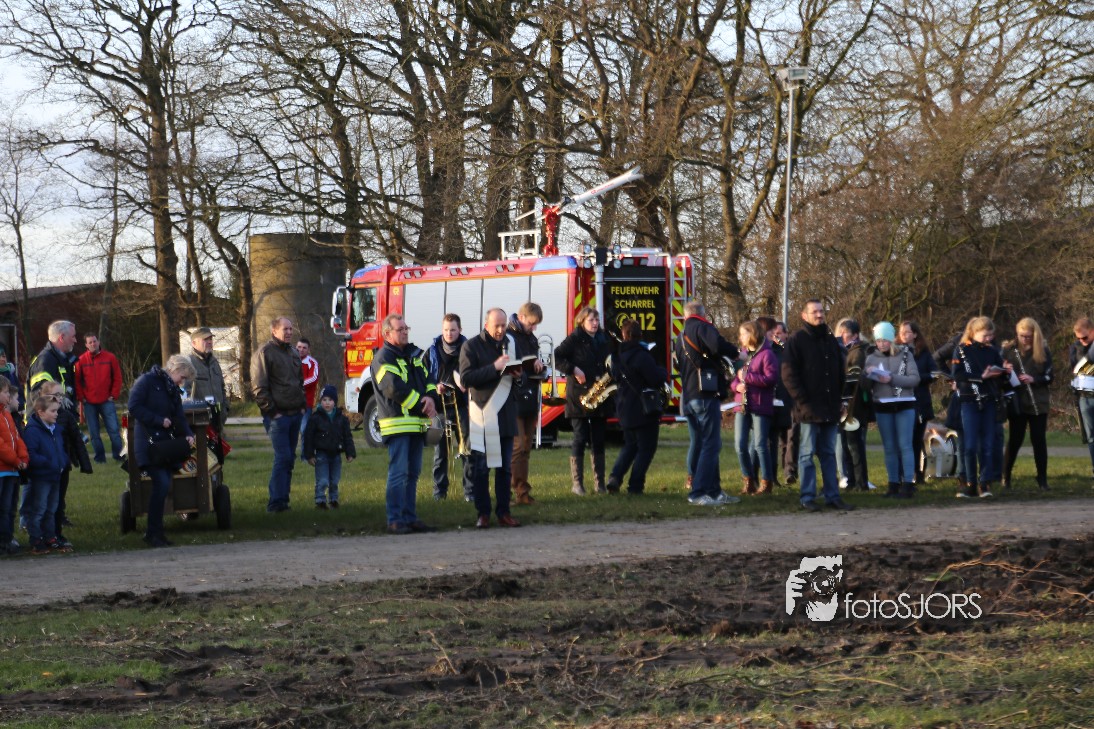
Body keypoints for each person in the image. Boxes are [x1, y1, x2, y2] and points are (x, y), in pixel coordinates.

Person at [781, 299, 855, 512]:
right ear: (804, 315)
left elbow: (839, 372)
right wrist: (802, 401)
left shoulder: (830, 339)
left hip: (830, 407)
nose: (819, 315)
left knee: (829, 453)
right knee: (806, 454)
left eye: (821, 311)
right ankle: (807, 496)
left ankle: (832, 496)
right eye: (815, 312)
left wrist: (841, 400)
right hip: (807, 409)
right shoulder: (797, 340)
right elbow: (788, 375)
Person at [371, 314, 438, 534]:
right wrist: (422, 404)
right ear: (387, 333)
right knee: (399, 474)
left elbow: (429, 379)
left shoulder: (414, 355)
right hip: (398, 425)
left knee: (413, 474)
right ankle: (395, 519)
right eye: (400, 329)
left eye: (406, 328)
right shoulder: (383, 358)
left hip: (416, 424)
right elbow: (393, 388)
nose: (405, 332)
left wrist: (431, 399)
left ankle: (410, 517)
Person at [459, 308, 522, 528]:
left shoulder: (511, 344)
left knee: (505, 469)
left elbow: (518, 380)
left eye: (504, 325)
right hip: (483, 416)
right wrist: (494, 368)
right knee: (481, 468)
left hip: (506, 415)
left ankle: (504, 512)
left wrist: (519, 376)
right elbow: (466, 379)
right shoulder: (471, 346)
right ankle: (483, 513)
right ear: (486, 325)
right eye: (497, 325)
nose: (501, 330)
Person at [674, 300, 740, 506]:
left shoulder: (680, 337)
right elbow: (718, 345)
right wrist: (736, 353)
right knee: (711, 444)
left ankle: (714, 491)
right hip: (705, 394)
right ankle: (699, 492)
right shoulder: (703, 327)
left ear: (685, 315)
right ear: (702, 314)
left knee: (704, 443)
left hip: (688, 397)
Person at [128, 356, 197, 547]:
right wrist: (158, 420)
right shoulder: (146, 381)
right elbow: (133, 407)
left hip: (164, 445)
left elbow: (179, 415)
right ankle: (153, 532)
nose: (182, 382)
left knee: (163, 485)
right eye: (182, 377)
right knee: (162, 484)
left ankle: (155, 532)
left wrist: (188, 434)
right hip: (148, 443)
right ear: (174, 369)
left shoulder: (171, 388)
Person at [555, 306, 614, 495]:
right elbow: (557, 356)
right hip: (579, 396)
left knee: (599, 439)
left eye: (597, 320)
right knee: (580, 438)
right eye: (591, 320)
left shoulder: (604, 338)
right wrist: (573, 370)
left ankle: (600, 484)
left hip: (600, 394)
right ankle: (577, 484)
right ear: (582, 321)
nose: (595, 323)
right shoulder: (574, 338)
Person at [251, 317, 306, 513]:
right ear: (274, 331)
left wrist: (302, 406)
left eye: (291, 329)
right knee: (283, 457)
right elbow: (259, 387)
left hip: (295, 414)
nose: (289, 332)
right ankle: (275, 504)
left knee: (289, 459)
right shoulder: (264, 353)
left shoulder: (293, 352)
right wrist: (272, 412)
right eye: (285, 329)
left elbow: (299, 381)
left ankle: (283, 501)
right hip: (278, 417)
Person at [950, 316, 1010, 499]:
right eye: (985, 335)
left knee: (987, 444)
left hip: (989, 400)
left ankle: (985, 483)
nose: (988, 339)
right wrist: (980, 377)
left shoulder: (992, 351)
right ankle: (970, 483)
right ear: (974, 333)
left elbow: (1001, 376)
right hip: (969, 401)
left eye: (991, 335)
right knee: (969, 446)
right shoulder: (961, 350)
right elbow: (957, 375)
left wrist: (1004, 372)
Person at [608, 318, 667, 495]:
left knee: (630, 446)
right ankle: (635, 486)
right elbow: (655, 378)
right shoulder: (642, 356)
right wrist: (663, 371)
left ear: (624, 335)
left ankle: (615, 477)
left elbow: (614, 376)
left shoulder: (617, 357)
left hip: (624, 408)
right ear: (639, 335)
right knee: (646, 449)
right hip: (643, 409)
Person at [864, 322, 921, 498]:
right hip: (882, 406)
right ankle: (893, 484)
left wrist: (892, 378)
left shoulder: (906, 355)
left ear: (892, 340)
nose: (881, 344)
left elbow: (914, 380)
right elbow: (864, 386)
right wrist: (868, 375)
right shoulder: (870, 358)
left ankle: (908, 484)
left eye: (885, 340)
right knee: (889, 447)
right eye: (878, 340)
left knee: (905, 445)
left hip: (904, 404)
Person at [425, 313, 472, 501]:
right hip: (440, 408)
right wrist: (435, 386)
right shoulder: (432, 351)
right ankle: (439, 492)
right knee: (440, 453)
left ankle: (470, 492)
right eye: (446, 330)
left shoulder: (468, 350)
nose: (449, 333)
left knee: (467, 450)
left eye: (453, 330)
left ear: (460, 330)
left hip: (462, 406)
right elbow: (424, 376)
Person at [1002, 318, 1053, 491]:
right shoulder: (1008, 350)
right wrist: (1006, 371)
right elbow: (1000, 377)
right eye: (1021, 335)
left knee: (1039, 440)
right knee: (1015, 439)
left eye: (1028, 336)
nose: (1025, 339)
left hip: (1038, 401)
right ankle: (1006, 476)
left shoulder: (1043, 350)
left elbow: (1049, 376)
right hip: (1017, 401)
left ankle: (1042, 478)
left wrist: (1034, 379)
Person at [732, 320, 779, 495]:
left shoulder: (767, 354)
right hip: (742, 405)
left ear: (752, 334)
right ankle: (748, 480)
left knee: (760, 445)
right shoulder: (742, 355)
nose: (740, 337)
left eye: (743, 334)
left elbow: (771, 379)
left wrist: (748, 378)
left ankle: (766, 482)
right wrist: (736, 386)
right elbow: (735, 378)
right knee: (740, 445)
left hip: (760, 404)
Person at [507, 303, 546, 504]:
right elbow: (509, 363)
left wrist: (540, 366)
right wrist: (530, 362)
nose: (534, 328)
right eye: (531, 323)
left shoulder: (531, 338)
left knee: (526, 448)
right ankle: (517, 491)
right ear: (521, 317)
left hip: (530, 395)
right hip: (514, 397)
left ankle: (522, 492)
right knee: (518, 447)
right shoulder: (508, 337)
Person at [21, 395, 70, 554]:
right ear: (41, 412)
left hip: (55, 475)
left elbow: (60, 449)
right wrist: (49, 463)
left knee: (51, 509)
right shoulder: (33, 431)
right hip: (41, 476)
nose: (56, 414)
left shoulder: (55, 429)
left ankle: (50, 537)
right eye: (53, 411)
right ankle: (36, 539)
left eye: (57, 411)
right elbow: (31, 454)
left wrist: (62, 462)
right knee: (39, 509)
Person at [302, 384, 356, 509]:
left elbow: (347, 437)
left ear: (335, 402)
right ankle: (320, 500)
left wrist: (350, 453)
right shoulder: (315, 418)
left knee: (334, 480)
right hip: (321, 455)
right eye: (324, 400)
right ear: (320, 401)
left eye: (330, 400)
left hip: (336, 454)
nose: (327, 403)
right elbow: (308, 437)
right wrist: (309, 455)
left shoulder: (342, 419)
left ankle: (333, 500)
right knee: (323, 480)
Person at [834, 318, 873, 491]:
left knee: (854, 445)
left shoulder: (857, 353)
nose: (842, 336)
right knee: (846, 444)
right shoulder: (847, 351)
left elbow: (853, 380)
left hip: (854, 405)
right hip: (847, 404)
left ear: (855, 335)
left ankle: (860, 482)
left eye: (845, 333)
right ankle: (850, 480)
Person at [74, 332, 124, 464]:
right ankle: (100, 458)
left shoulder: (110, 357)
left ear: (99, 342)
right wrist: (81, 397)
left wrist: (114, 394)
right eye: (90, 342)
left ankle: (119, 456)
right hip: (89, 402)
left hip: (107, 400)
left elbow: (117, 377)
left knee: (114, 430)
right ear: (86, 345)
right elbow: (77, 381)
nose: (93, 344)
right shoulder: (81, 360)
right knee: (94, 433)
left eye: (94, 341)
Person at [899, 320, 936, 483]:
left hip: (920, 400)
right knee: (904, 440)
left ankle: (917, 473)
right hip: (902, 400)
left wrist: (917, 378)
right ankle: (903, 474)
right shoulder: (895, 352)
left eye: (907, 332)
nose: (903, 335)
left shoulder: (924, 353)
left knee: (917, 439)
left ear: (915, 334)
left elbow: (933, 373)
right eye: (901, 332)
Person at [0, 380, 29, 556]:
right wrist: (15, 460)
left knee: (10, 507)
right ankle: (2, 542)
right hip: (3, 469)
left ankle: (8, 539)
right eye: (5, 392)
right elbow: (1, 446)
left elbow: (16, 438)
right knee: (2, 508)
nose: (8, 396)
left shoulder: (6, 414)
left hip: (12, 470)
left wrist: (23, 458)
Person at [26, 320, 78, 403]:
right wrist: (60, 400)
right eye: (73, 336)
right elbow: (39, 396)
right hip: (50, 411)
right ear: (62, 338)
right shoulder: (45, 361)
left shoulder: (63, 359)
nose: (75, 340)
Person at [187, 327, 228, 427]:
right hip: (199, 421)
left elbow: (222, 388)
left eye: (210, 339)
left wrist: (225, 409)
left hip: (218, 418)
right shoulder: (188, 364)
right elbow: (184, 394)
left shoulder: (214, 362)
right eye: (205, 339)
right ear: (194, 343)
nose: (209, 342)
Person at [1069, 317, 1094, 483]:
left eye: (1085, 337)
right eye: (1078, 338)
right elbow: (1074, 369)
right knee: (1091, 436)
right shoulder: (1075, 348)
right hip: (1085, 396)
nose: (1081, 341)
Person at [297, 337, 319, 457]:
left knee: (305, 429)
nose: (301, 350)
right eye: (299, 347)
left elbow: (313, 378)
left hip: (306, 403)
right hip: (290, 402)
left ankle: (305, 456)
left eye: (304, 348)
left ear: (308, 349)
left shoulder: (312, 363)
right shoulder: (290, 360)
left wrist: (298, 385)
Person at [0, 343, 23, 415]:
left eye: (4, 356)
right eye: (0, 355)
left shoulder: (11, 374)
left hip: (14, 415)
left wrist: (16, 404)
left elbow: (21, 395)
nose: (3, 358)